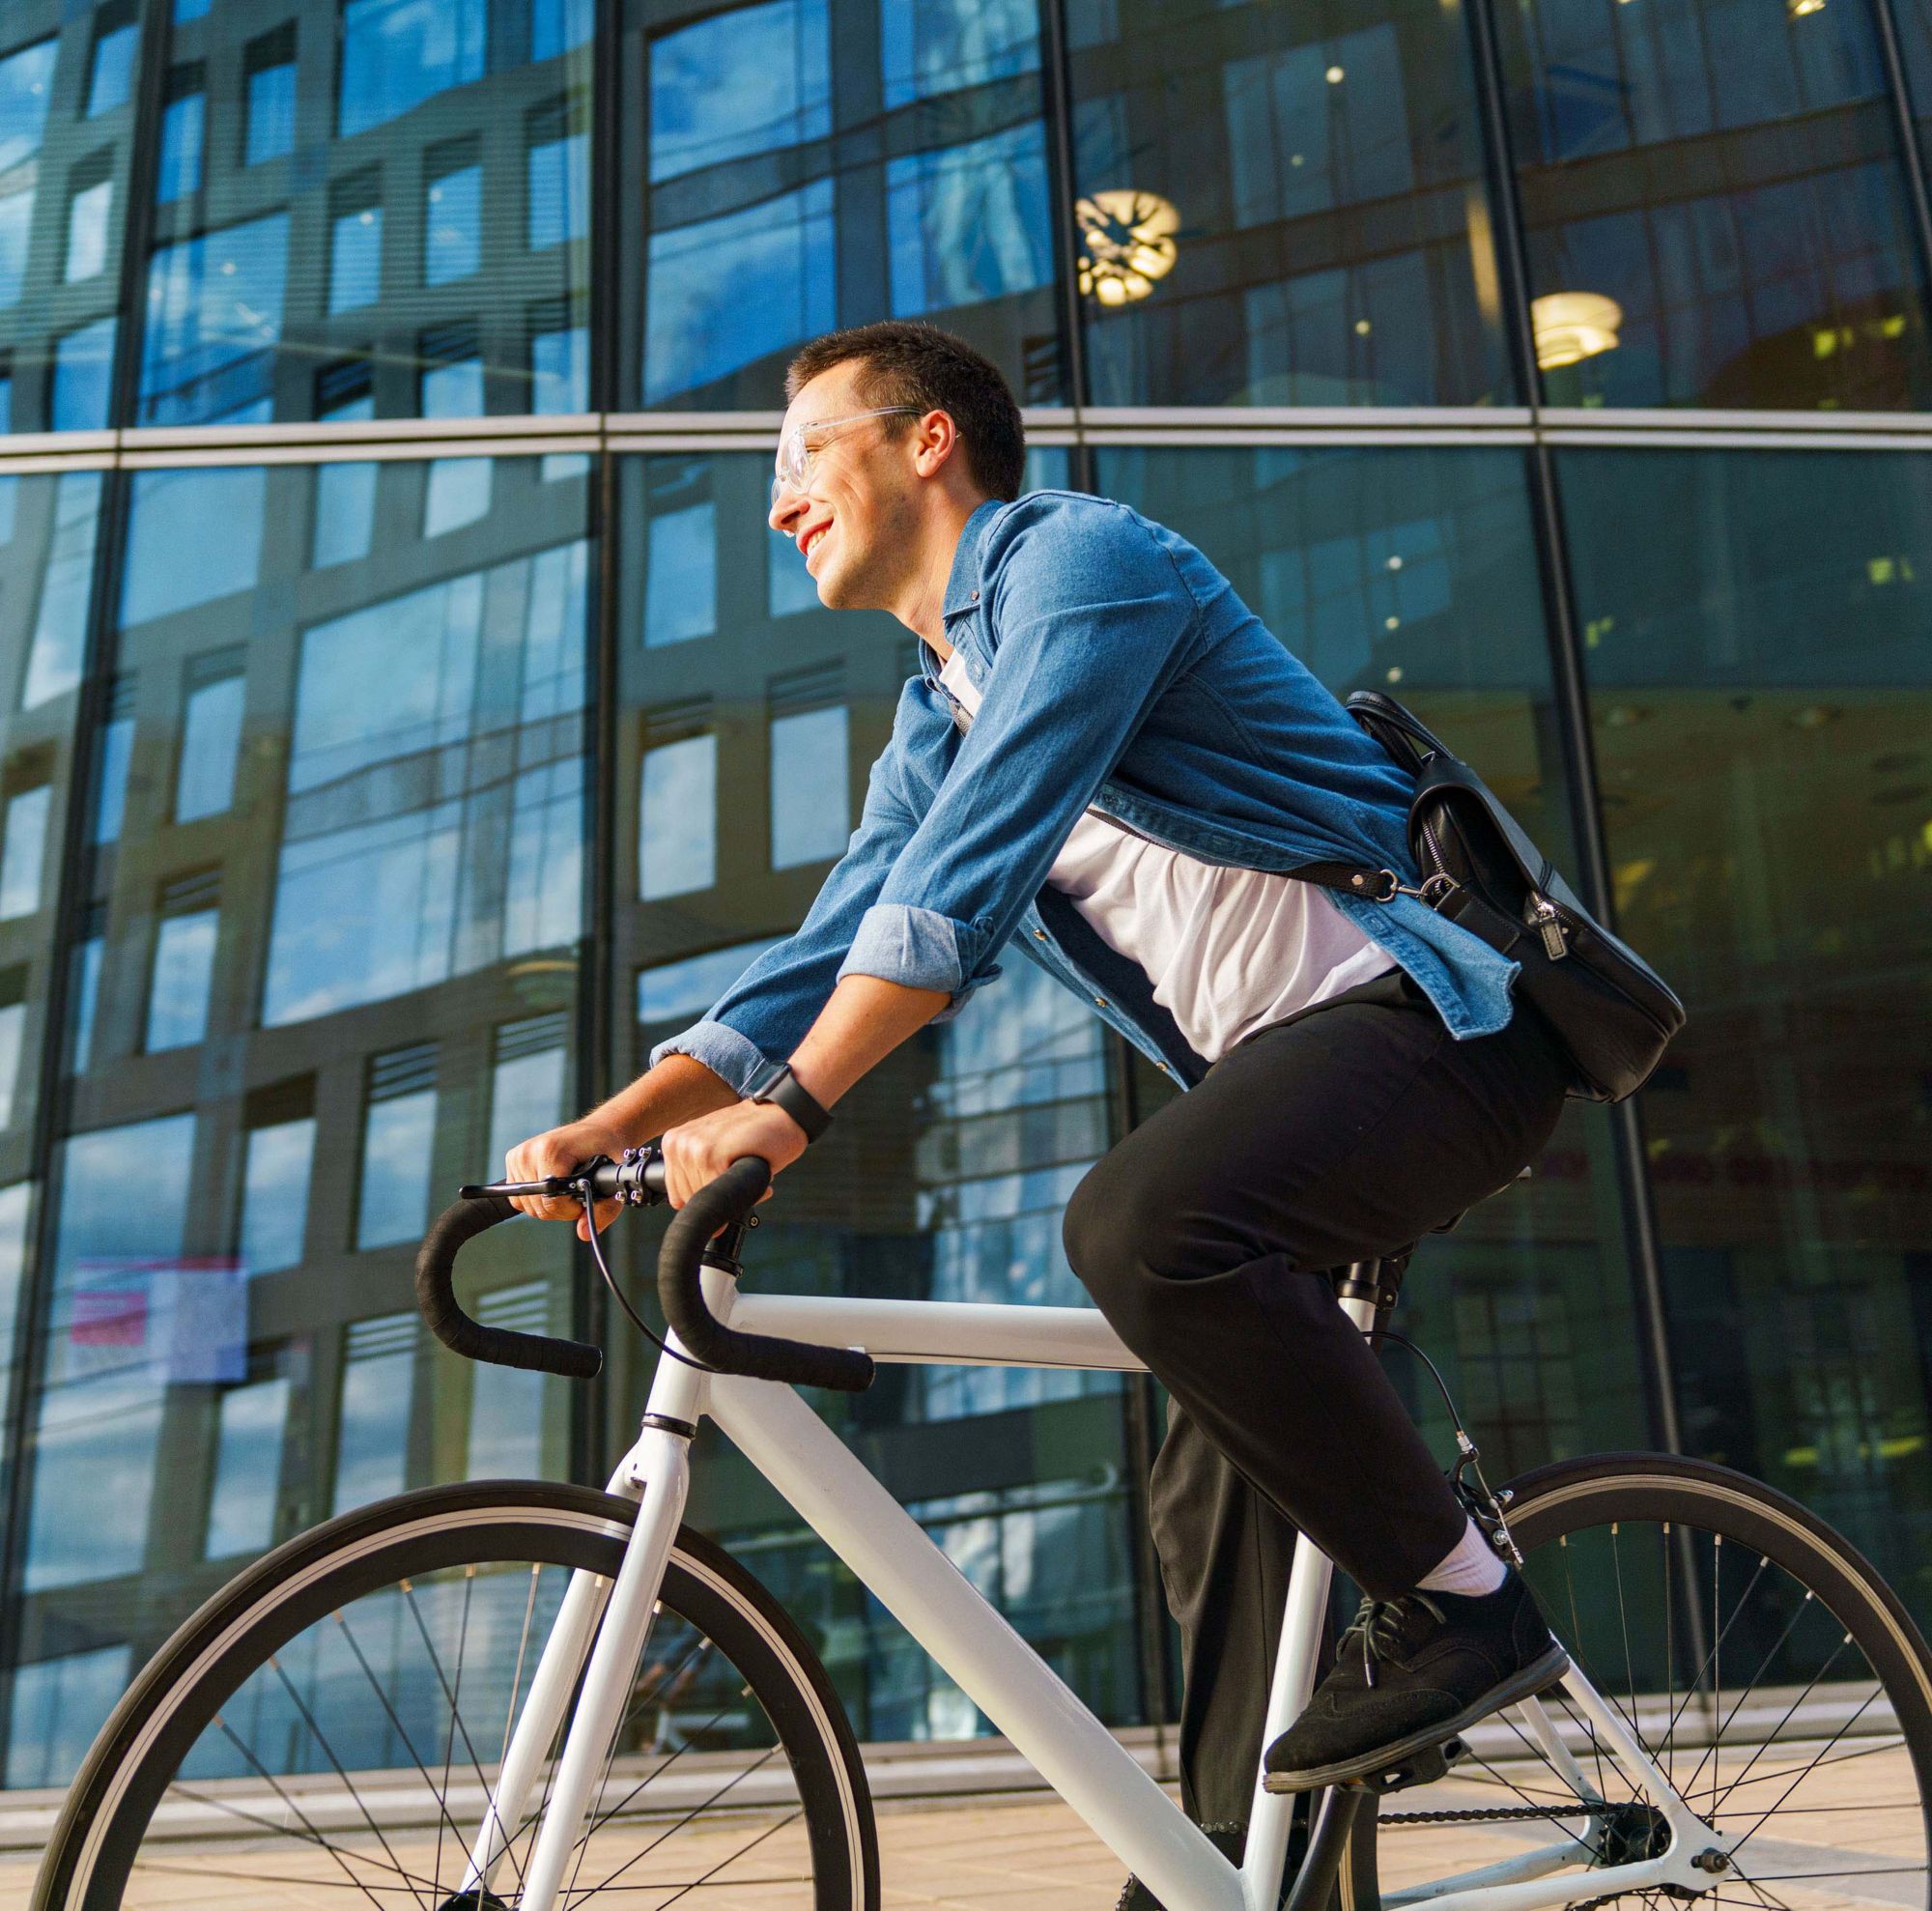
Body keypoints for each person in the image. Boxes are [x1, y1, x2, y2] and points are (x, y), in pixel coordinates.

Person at [506, 319, 1572, 1899]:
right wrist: (610, 1123)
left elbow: (960, 888)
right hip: (1297, 1089)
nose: (779, 501)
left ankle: (1472, 1607)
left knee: (1139, 1226)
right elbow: (827, 953)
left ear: (927, 440)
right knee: (1206, 1457)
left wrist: (787, 1116)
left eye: (800, 456)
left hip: (1439, 1029)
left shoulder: (1084, 564)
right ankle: (1234, 1861)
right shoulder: (938, 711)